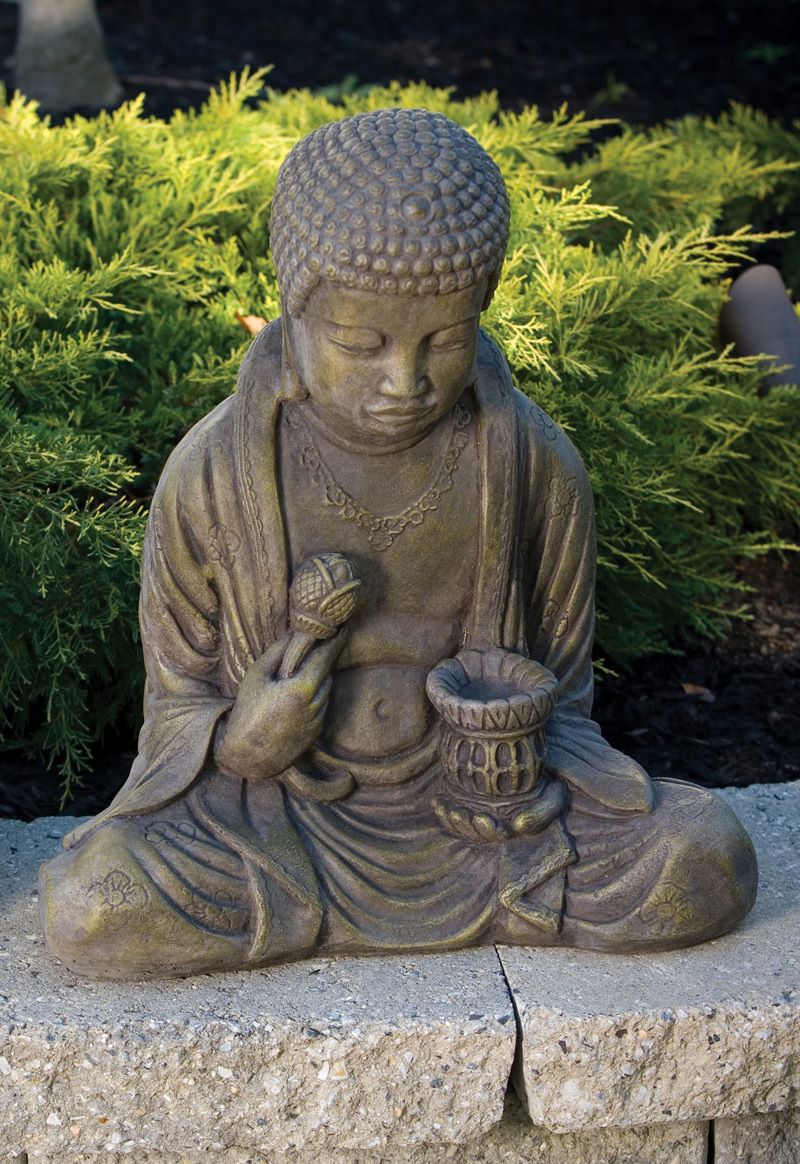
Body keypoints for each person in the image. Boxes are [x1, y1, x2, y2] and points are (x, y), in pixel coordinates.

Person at [39, 109, 757, 980]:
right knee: (95, 906)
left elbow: (565, 697)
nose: (405, 381)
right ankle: (356, 904)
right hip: (276, 819)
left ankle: (459, 897)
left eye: (445, 340)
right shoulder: (212, 478)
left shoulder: (533, 465)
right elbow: (178, 702)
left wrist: (518, 761)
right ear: (293, 308)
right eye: (361, 343)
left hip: (485, 821)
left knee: (704, 859)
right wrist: (240, 743)